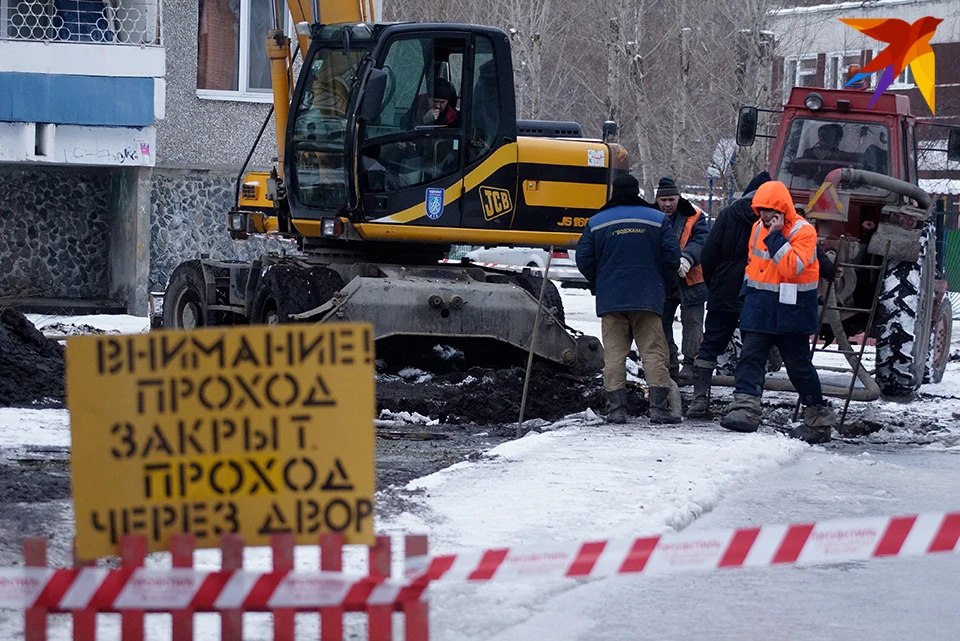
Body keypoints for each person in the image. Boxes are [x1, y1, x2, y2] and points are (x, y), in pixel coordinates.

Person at [720, 180, 838, 444]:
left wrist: (775, 236)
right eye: (760, 209)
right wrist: (746, 297)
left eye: (769, 209)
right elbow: (754, 266)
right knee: (750, 359)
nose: (763, 215)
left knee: (799, 367)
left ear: (782, 208)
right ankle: (745, 411)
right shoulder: (755, 229)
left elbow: (791, 268)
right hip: (760, 306)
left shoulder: (804, 232)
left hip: (791, 311)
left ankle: (817, 421)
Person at [576, 174, 682, 425]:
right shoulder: (658, 220)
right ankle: (658, 409)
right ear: (638, 193)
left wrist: (599, 281)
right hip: (648, 296)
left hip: (611, 298)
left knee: (614, 355)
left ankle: (616, 411)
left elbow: (584, 259)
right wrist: (661, 281)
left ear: (614, 193)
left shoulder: (596, 222)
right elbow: (672, 256)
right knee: (654, 353)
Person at [686, 171, 772, 419]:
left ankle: (699, 400)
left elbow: (709, 252)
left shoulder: (728, 214)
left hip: (724, 285)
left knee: (711, 343)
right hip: (757, 287)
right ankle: (747, 402)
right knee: (754, 347)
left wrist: (715, 284)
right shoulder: (775, 218)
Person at [655, 177, 709, 386]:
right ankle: (669, 364)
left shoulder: (695, 216)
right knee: (660, 324)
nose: (667, 204)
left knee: (694, 324)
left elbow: (702, 241)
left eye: (671, 199)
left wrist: (687, 257)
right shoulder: (651, 216)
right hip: (664, 280)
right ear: (658, 200)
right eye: (663, 200)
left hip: (691, 279)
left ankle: (690, 364)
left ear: (678, 198)